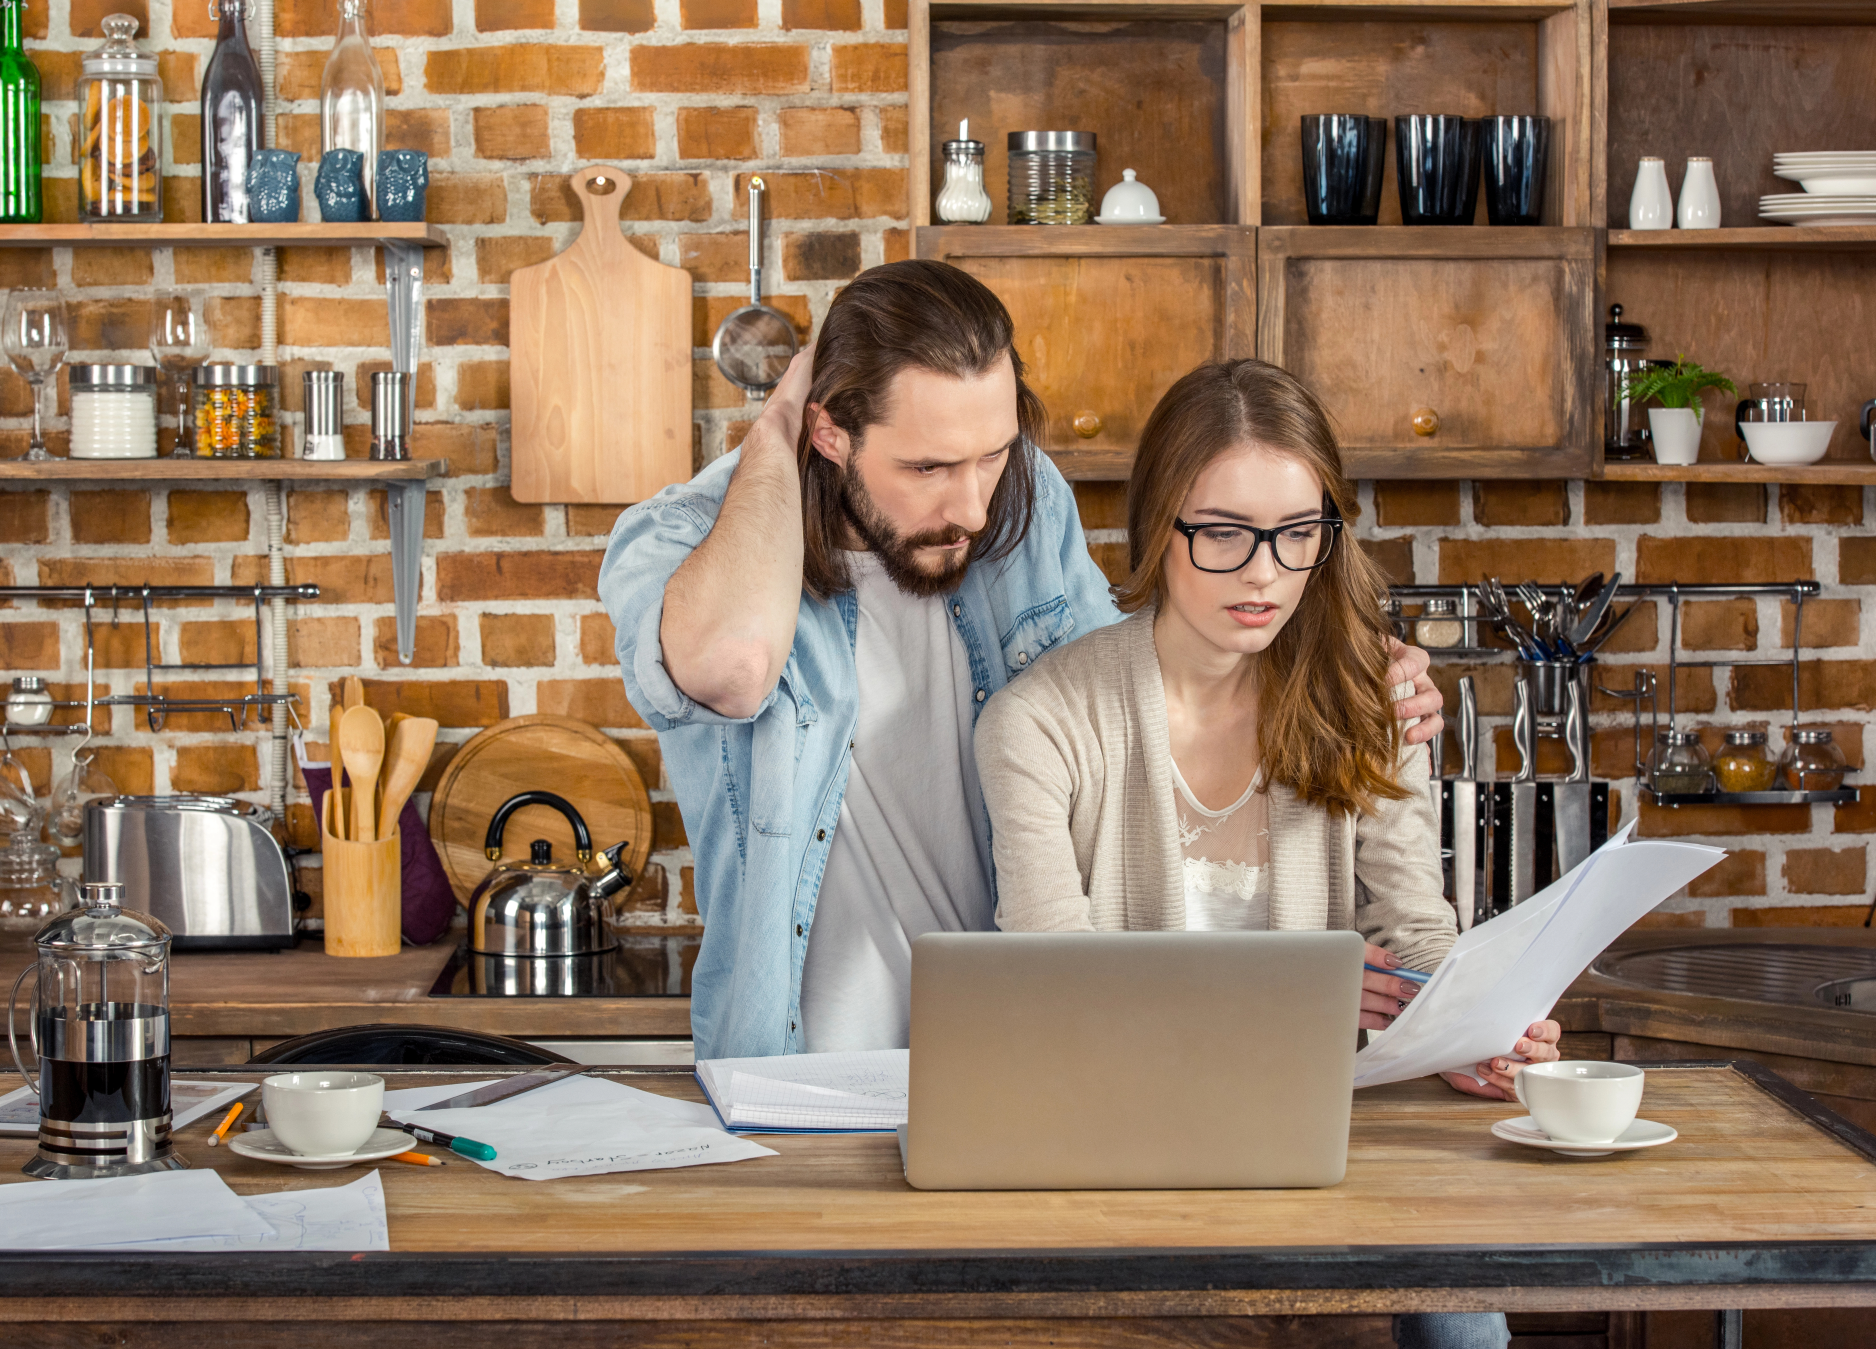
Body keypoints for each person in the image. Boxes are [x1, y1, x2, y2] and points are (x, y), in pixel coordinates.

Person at [599, 261, 1446, 1062]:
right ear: (830, 430)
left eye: (993, 453)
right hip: (797, 1063)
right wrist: (777, 423)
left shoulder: (1024, 502)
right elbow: (734, 666)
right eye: (928, 466)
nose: (971, 505)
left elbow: (1110, 702)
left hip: (1011, 1050)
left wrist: (1342, 666)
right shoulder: (687, 536)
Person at [976, 359, 1558, 1349]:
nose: (1263, 574)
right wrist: (1307, 994)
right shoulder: (1039, 720)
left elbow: (1412, 926)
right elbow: (1053, 995)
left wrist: (1470, 1024)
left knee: (1466, 1328)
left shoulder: (1366, 698)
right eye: (1223, 534)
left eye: (1297, 535)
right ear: (1159, 526)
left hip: (1335, 1130)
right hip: (1125, 1146)